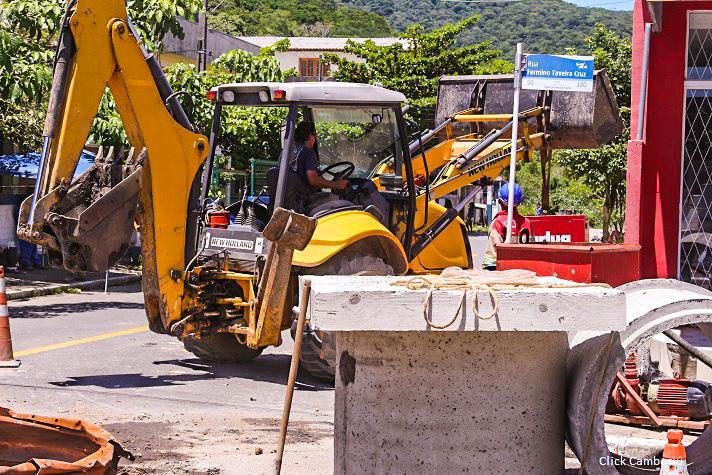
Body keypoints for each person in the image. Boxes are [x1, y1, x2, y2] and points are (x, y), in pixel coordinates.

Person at [482, 183, 532, 270]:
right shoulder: (527, 223)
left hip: (502, 273)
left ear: (500, 202)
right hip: (524, 271)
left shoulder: (498, 223)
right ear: (519, 203)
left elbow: (491, 257)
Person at [289, 122, 349, 193]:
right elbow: (313, 181)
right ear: (309, 136)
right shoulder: (308, 152)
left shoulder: (287, 151)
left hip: (290, 196)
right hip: (303, 197)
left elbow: (296, 171)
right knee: (339, 201)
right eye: (314, 135)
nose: (314, 138)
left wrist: (315, 172)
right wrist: (337, 184)